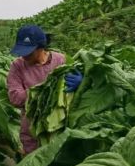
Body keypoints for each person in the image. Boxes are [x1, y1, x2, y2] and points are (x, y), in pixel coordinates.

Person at [6, 25, 82, 155]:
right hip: (32, 130)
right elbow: (15, 98)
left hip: (62, 126)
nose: (24, 55)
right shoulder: (17, 66)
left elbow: (76, 91)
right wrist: (44, 89)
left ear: (41, 47)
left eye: (29, 51)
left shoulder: (61, 60)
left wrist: (81, 81)